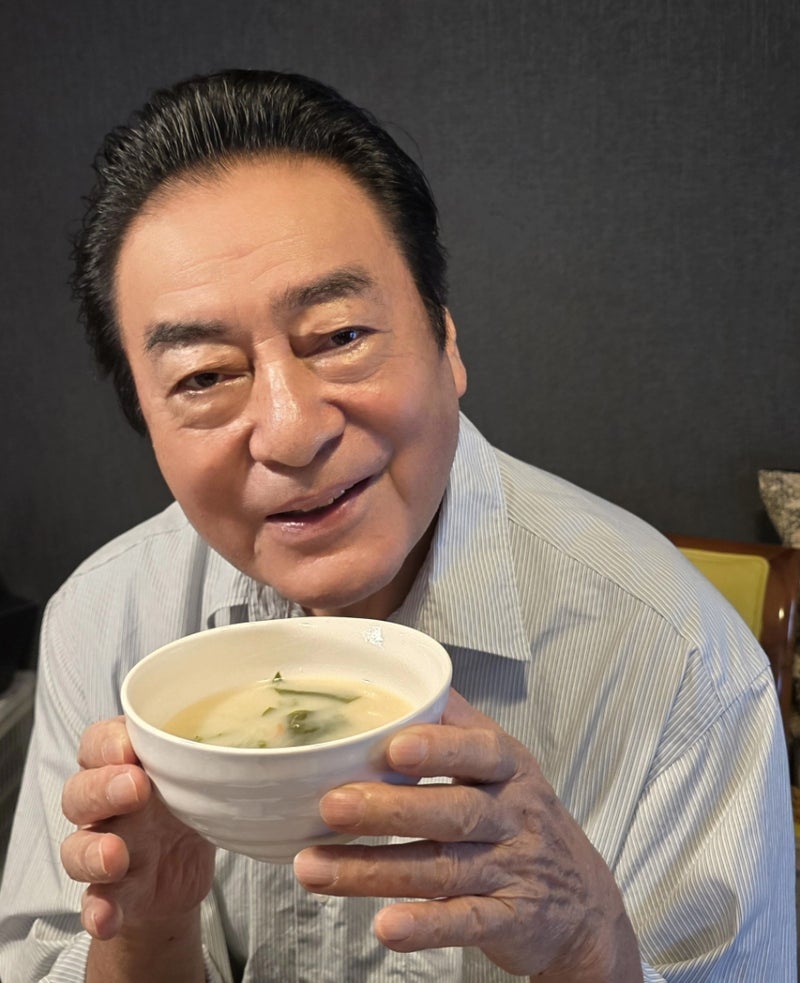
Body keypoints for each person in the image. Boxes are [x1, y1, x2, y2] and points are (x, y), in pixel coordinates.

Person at [0, 69, 793, 983]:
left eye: (340, 335)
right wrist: (144, 929)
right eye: (205, 377)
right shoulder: (102, 621)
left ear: (446, 340)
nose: (291, 432)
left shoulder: (684, 665)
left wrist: (585, 944)